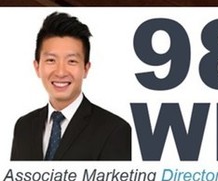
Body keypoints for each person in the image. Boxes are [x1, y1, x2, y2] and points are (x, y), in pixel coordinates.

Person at [10, 11, 132, 161]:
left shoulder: (114, 130)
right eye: (51, 60)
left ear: (86, 68)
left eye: (72, 61)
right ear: (37, 67)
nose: (61, 72)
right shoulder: (24, 126)